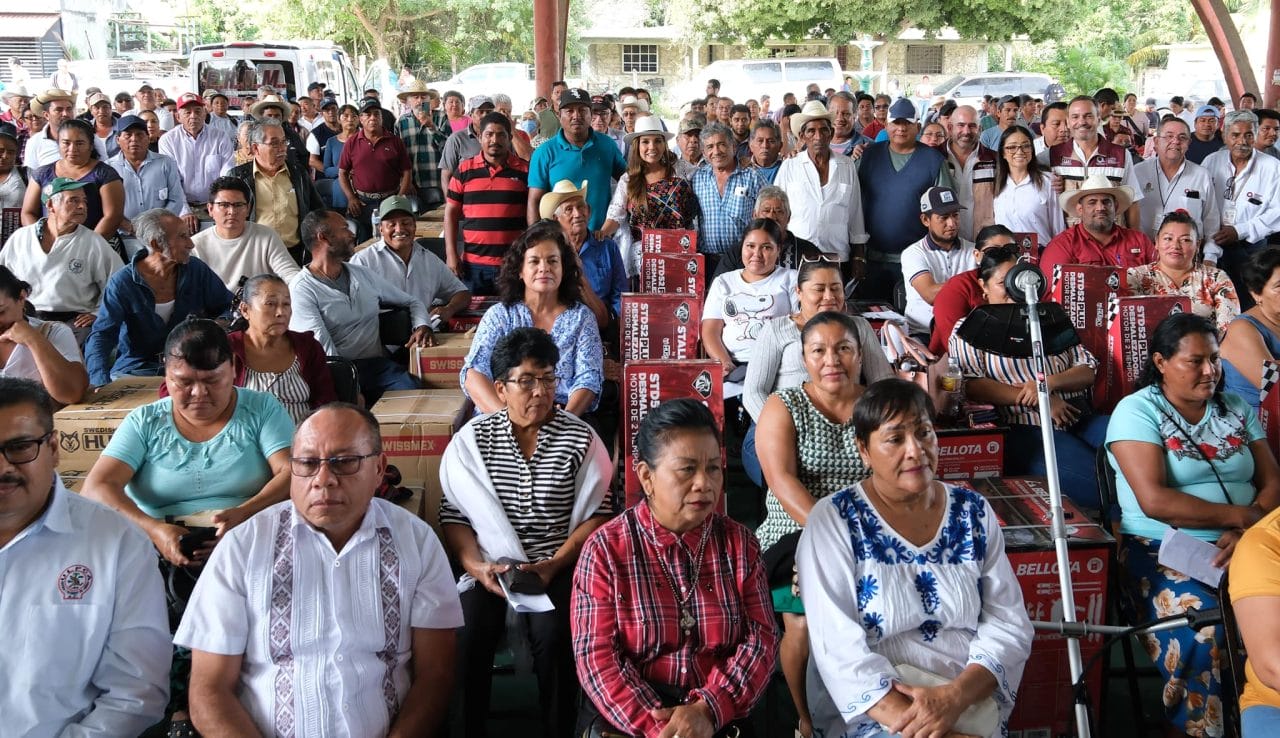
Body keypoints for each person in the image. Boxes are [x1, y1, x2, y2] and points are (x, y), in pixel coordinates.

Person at [176, 402, 462, 736]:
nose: (323, 480)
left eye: (345, 462)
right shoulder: (244, 547)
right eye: (308, 464)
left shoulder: (416, 541)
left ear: (379, 469)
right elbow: (209, 690)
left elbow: (436, 674)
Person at [799, 378, 1034, 738]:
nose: (915, 450)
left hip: (967, 701)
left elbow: (1008, 622)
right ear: (864, 450)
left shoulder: (972, 511)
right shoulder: (834, 521)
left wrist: (954, 698)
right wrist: (932, 729)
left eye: (924, 433)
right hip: (879, 712)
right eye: (895, 439)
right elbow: (838, 650)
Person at [1106, 312, 1280, 738]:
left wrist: (1248, 534)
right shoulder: (1137, 410)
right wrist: (1242, 516)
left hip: (1248, 543)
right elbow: (1155, 500)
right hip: (1161, 549)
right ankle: (1198, 730)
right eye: (1196, 361)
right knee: (1207, 627)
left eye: (1216, 359)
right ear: (1162, 362)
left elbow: (1273, 479)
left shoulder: (1235, 408)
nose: (1210, 371)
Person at [442, 327, 613, 738]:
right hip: (489, 570)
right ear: (500, 389)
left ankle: (559, 728)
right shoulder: (473, 441)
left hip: (555, 565)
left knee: (555, 638)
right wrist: (477, 566)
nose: (540, 391)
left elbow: (599, 514)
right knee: (464, 636)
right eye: (527, 381)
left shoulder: (580, 438)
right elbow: (455, 516)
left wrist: (554, 565)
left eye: (549, 379)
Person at [571, 398, 778, 738]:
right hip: (633, 720)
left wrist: (707, 711)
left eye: (713, 468)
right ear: (646, 477)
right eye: (686, 469)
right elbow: (598, 660)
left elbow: (761, 641)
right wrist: (666, 731)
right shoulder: (606, 550)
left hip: (718, 716)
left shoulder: (740, 544)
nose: (704, 483)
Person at [0, 377, 171, 736]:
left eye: (19, 447)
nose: (3, 468)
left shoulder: (116, 544)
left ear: (55, 448)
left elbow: (136, 692)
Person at [755, 311, 873, 736]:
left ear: (859, 354)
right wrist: (829, 543)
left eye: (843, 348)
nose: (832, 360)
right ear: (803, 357)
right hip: (794, 533)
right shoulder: (784, 404)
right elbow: (782, 482)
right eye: (818, 350)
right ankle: (807, 720)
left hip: (866, 534)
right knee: (803, 624)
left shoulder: (876, 406)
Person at [950, 245, 1110, 509]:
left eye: (1020, 280)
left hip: (1079, 416)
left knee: (1134, 452)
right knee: (1097, 483)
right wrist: (1041, 400)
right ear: (984, 286)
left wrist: (1045, 386)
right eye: (1005, 283)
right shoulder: (969, 328)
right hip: (1026, 427)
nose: (1015, 290)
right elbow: (973, 385)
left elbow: (1087, 369)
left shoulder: (1050, 318)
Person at [460, 220, 604, 416]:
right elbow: (474, 373)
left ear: (564, 269)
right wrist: (511, 423)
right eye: (534, 261)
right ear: (520, 270)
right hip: (500, 419)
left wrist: (564, 423)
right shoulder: (500, 315)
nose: (544, 268)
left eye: (553, 261)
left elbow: (588, 378)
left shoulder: (582, 318)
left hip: (562, 419)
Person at [288, 210, 432, 404]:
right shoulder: (302, 289)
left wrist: (422, 325)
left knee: (414, 394)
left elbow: (412, 302)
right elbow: (325, 355)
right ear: (324, 238)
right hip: (333, 373)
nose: (352, 234)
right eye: (344, 229)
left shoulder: (361, 274)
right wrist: (350, 389)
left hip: (376, 367)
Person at [85, 209, 232, 386]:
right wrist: (99, 382)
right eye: (182, 236)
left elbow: (228, 306)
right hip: (137, 370)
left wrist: (222, 323)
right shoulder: (123, 283)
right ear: (156, 244)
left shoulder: (196, 270)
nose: (191, 244)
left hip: (191, 366)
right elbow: (102, 335)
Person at [0, 177, 122, 346]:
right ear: (50, 205)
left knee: (73, 356)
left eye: (84, 201)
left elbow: (117, 282)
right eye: (73, 200)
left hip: (75, 321)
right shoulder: (21, 238)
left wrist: (98, 312)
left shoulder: (94, 242)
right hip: (26, 317)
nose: (82, 206)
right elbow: (2, 279)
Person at [857, 98, 951, 301]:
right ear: (886, 125)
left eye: (907, 123)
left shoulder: (934, 161)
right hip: (871, 258)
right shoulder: (868, 155)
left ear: (918, 126)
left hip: (918, 261)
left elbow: (945, 211)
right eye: (896, 123)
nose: (901, 128)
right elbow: (849, 199)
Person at [349, 195, 471, 330]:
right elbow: (351, 310)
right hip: (380, 341)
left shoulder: (429, 260)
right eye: (391, 224)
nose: (399, 229)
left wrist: (449, 309)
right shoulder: (363, 261)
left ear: (414, 226)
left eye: (406, 223)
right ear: (381, 229)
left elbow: (462, 293)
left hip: (424, 335)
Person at [444, 110, 530, 295]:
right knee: (474, 320)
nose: (494, 140)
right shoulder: (464, 169)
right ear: (479, 136)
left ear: (509, 138)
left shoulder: (524, 171)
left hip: (513, 264)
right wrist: (451, 255)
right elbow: (450, 213)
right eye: (489, 134)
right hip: (473, 266)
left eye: (501, 135)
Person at [701, 218, 798, 379]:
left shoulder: (791, 279)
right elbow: (710, 330)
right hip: (734, 365)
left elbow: (801, 323)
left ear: (778, 250)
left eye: (766, 247)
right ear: (742, 247)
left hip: (780, 365)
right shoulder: (723, 281)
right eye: (750, 246)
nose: (757, 254)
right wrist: (725, 364)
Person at [774, 101, 867, 267]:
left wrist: (859, 256)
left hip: (837, 255)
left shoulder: (847, 165)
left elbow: (855, 213)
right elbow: (776, 210)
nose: (818, 136)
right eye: (811, 131)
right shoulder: (790, 165)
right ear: (802, 136)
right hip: (797, 256)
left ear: (830, 133)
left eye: (823, 130)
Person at [1203, 110, 1280, 307]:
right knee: (1212, 300)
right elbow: (1202, 201)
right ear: (1224, 135)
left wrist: (1240, 230)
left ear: (1255, 136)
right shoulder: (1212, 161)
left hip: (1251, 248)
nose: (1242, 141)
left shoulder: (1272, 167)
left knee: (1248, 301)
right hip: (1213, 241)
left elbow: (1277, 212)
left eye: (1248, 135)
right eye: (1235, 135)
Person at [601, 115, 698, 271]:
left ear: (664, 145)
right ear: (637, 145)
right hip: (644, 261)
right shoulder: (628, 180)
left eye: (658, 141)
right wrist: (602, 233)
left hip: (681, 254)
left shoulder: (681, 170)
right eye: (645, 141)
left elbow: (707, 174)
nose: (652, 147)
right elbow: (615, 214)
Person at [527, 88, 627, 232]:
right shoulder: (544, 152)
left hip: (600, 239)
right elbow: (534, 201)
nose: (576, 116)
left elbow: (628, 181)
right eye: (569, 111)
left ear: (590, 114)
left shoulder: (607, 145)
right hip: (560, 242)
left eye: (582, 110)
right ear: (558, 115)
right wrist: (537, 239)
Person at [227, 119, 324, 262]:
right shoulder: (238, 177)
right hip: (255, 255)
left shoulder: (298, 174)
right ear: (255, 148)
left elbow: (317, 210)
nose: (282, 148)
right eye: (274, 143)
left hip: (295, 254)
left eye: (284, 142)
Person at [1127, 210, 1239, 332]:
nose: (1175, 246)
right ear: (1157, 242)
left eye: (1185, 240)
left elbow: (1230, 331)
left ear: (1197, 245)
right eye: (1168, 238)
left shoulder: (1216, 278)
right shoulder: (1135, 276)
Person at [1041, 96, 1144, 229]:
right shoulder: (1052, 155)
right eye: (1075, 117)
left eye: (1088, 116)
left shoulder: (1121, 155)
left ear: (1099, 119)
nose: (1081, 122)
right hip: (1071, 242)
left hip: (1113, 241)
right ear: (1068, 122)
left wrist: (1134, 242)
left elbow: (1132, 201)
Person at [22, 118, 124, 242]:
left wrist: (84, 247)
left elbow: (112, 216)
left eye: (80, 143)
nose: (72, 149)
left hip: (94, 246)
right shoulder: (42, 173)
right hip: (49, 245)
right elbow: (28, 212)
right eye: (66, 143)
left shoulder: (104, 174)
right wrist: (41, 240)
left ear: (91, 146)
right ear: (58, 143)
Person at [191, 175, 300, 290]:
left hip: (258, 305)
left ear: (248, 209)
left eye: (238, 205)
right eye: (224, 205)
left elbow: (290, 273)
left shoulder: (266, 236)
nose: (232, 212)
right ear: (210, 209)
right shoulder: (196, 245)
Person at [1039, 171, 1155, 277]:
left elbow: (1159, 283)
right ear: (1080, 209)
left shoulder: (1140, 241)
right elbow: (1051, 295)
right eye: (1092, 202)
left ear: (1116, 207)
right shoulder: (1062, 246)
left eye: (1106, 202)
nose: (1100, 208)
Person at [0, 266, 87, 403]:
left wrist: (33, 340)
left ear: (21, 297)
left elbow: (71, 394)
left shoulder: (52, 333)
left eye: (1, 312)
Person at [1133, 116, 1221, 252]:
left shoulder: (1201, 175)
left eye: (1182, 137)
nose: (1175, 141)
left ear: (1189, 143)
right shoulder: (1138, 173)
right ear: (1156, 142)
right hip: (1143, 253)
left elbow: (1211, 222)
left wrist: (1211, 256)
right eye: (1169, 136)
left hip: (1186, 256)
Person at [928, 226, 1020, 355]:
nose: (1002, 258)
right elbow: (956, 348)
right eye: (992, 252)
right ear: (977, 256)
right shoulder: (956, 289)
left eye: (1010, 250)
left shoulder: (1025, 282)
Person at [692, 122, 767, 272]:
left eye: (721, 144)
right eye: (710, 147)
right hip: (707, 261)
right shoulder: (698, 178)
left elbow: (767, 216)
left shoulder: (752, 176)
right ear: (704, 152)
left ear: (733, 146)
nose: (716, 151)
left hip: (743, 260)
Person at [107, 114, 188, 252]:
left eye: (139, 135)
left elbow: (176, 199)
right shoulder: (108, 168)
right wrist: (128, 226)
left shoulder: (165, 163)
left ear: (148, 137)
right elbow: (106, 207)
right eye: (128, 135)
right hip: (125, 236)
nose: (134, 140)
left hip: (161, 236)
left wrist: (157, 226)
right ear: (118, 139)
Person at [158, 92, 236, 233]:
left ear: (205, 113)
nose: (193, 116)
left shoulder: (220, 137)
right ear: (178, 116)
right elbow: (172, 179)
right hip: (181, 203)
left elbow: (227, 172)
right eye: (187, 112)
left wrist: (217, 204)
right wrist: (184, 211)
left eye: (197, 111)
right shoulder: (168, 140)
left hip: (214, 202)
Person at [549, 181, 624, 325]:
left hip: (602, 324)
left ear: (588, 211)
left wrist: (612, 322)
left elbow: (620, 297)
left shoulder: (608, 247)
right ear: (556, 219)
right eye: (569, 209)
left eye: (580, 207)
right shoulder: (551, 252)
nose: (577, 214)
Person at [338, 98, 413, 242]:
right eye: (367, 114)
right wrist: (351, 198)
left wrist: (400, 196)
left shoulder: (395, 141)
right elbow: (342, 172)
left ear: (381, 117)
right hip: (362, 203)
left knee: (393, 241)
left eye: (376, 114)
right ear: (361, 118)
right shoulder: (351, 143)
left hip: (390, 199)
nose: (372, 118)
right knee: (363, 243)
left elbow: (407, 171)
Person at [901, 186, 973, 335]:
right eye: (944, 217)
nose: (952, 223)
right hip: (923, 333)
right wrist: (973, 283)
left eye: (955, 215)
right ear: (925, 220)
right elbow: (930, 294)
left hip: (965, 333)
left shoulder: (974, 250)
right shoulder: (913, 253)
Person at [1221, 247, 1280, 411]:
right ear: (1256, 294)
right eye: (1279, 286)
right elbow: (1274, 387)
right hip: (1251, 425)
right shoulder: (1242, 328)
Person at [993, 124, 1064, 245]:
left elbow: (1058, 228)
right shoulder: (997, 185)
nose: (1019, 151)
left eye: (1025, 146)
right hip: (1008, 258)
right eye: (1012, 147)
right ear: (1003, 153)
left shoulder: (1047, 182)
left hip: (1042, 255)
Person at [439, 95, 495, 191]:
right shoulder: (456, 139)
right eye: (480, 112)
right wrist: (451, 203)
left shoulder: (501, 139)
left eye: (489, 112)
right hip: (466, 200)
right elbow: (446, 177)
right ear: (471, 114)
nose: (485, 115)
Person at [22, 88, 75, 170]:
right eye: (59, 110)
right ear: (46, 115)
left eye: (69, 109)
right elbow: (31, 175)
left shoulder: (87, 136)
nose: (65, 114)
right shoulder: (34, 142)